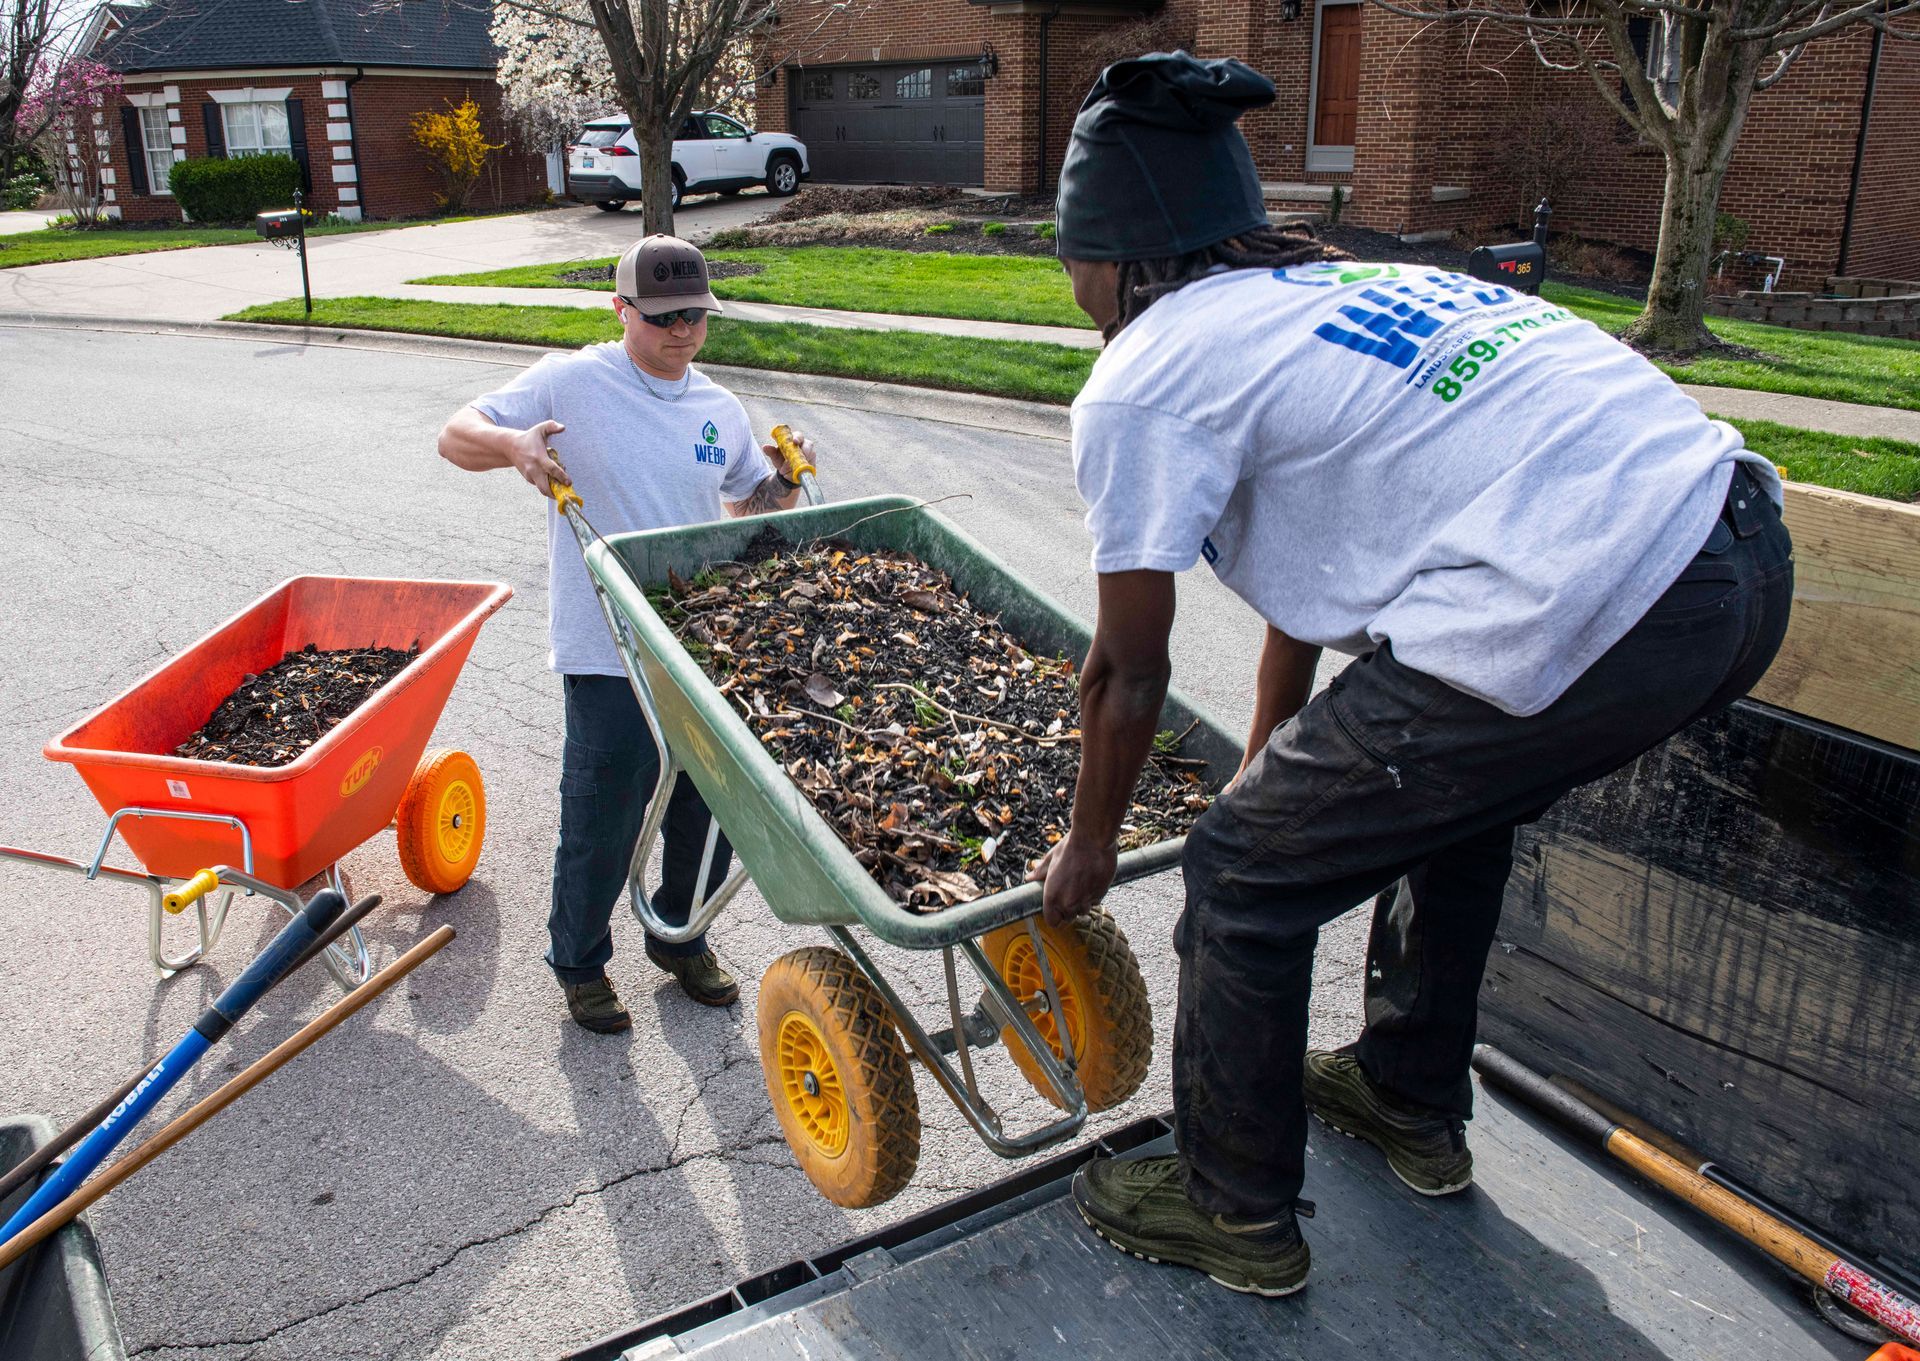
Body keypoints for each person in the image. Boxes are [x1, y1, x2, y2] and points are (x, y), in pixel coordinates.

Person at [1027, 52, 1793, 1297]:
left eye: (1070, 264)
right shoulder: (1332, 291)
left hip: (1602, 583)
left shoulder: (1147, 374)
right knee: (1459, 804)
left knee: (1241, 876)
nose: (1072, 292)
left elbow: (1126, 669)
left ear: (1112, 260)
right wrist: (1271, 739)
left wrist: (1091, 846)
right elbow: (1322, 568)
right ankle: (1408, 1098)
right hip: (1736, 553)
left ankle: (1235, 1210)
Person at [437, 234, 817, 1033]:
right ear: (622, 310)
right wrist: (513, 444)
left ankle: (680, 937)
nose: (683, 331)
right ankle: (579, 961)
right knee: (604, 810)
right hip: (605, 643)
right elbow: (455, 433)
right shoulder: (571, 382)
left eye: (697, 317)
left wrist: (782, 479)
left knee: (705, 803)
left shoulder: (719, 408)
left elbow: (750, 510)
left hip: (696, 643)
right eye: (665, 316)